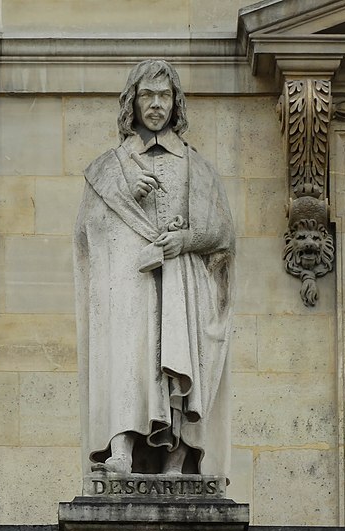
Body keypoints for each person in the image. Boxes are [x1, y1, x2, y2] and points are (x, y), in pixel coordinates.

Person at [74, 59, 235, 477]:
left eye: (165, 96)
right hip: (129, 285)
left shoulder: (195, 166)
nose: (157, 104)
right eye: (148, 94)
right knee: (129, 358)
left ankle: (176, 458)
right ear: (133, 101)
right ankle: (121, 448)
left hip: (183, 282)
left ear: (175, 103)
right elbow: (87, 236)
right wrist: (125, 197)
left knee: (178, 358)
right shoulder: (110, 168)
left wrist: (185, 240)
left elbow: (222, 232)